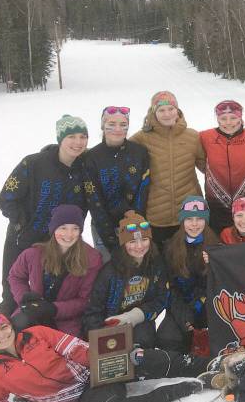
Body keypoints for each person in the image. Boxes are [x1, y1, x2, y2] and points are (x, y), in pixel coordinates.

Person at [0, 311, 206, 402]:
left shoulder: (37, 333)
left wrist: (120, 358)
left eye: (3, 327)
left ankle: (207, 366)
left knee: (145, 358)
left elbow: (78, 349)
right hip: (81, 397)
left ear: (10, 325)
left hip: (94, 370)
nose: (2, 335)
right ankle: (175, 391)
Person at [0, 115, 90, 316]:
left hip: (62, 243)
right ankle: (2, 337)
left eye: (83, 136)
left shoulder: (85, 168)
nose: (78, 142)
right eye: (71, 136)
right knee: (12, 291)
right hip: (24, 239)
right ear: (60, 139)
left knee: (52, 295)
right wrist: (22, 225)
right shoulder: (33, 164)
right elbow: (6, 199)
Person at [7, 204, 102, 338]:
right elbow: (15, 276)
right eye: (63, 228)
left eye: (75, 229)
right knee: (14, 335)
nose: (69, 235)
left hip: (66, 319)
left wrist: (54, 309)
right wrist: (24, 298)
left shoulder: (91, 259)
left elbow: (85, 300)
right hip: (32, 311)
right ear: (53, 229)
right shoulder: (34, 254)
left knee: (61, 349)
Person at [81, 211, 169, 348]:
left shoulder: (156, 265)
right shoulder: (109, 272)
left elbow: (161, 298)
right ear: (123, 244)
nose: (139, 246)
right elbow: (93, 311)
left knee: (144, 338)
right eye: (132, 241)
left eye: (144, 239)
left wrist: (135, 315)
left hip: (140, 321)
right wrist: (99, 335)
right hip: (111, 325)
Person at [130, 91, 206, 246]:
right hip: (156, 215)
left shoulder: (193, 136)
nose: (167, 114)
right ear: (153, 112)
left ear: (177, 110)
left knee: (188, 262)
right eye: (161, 110)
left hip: (190, 214)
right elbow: (122, 157)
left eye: (171, 109)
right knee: (162, 263)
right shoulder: (141, 138)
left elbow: (208, 168)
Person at [83, 106, 151, 262]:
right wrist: (109, 236)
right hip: (103, 226)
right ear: (103, 126)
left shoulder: (139, 152)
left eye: (123, 124)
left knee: (135, 269)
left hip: (135, 224)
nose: (117, 129)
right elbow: (93, 199)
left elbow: (144, 188)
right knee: (109, 269)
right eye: (111, 124)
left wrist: (135, 221)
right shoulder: (92, 157)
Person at [157, 196, 220, 354]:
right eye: (189, 219)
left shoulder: (216, 246)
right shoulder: (170, 247)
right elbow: (169, 288)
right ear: (182, 221)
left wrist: (214, 264)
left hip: (206, 306)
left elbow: (216, 286)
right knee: (168, 337)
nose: (194, 224)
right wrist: (185, 317)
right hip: (180, 307)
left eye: (199, 218)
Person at [200, 100, 245, 234]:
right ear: (217, 118)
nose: (228, 122)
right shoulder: (205, 137)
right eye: (223, 118)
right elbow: (200, 160)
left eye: (233, 118)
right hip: (217, 204)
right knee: (221, 245)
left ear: (240, 117)